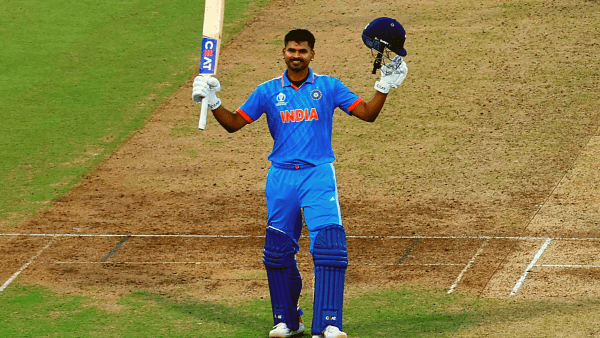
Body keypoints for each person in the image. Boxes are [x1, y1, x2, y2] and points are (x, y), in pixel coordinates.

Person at [192, 28, 407, 338]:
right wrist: (213, 102)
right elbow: (234, 124)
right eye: (291, 50)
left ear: (312, 54)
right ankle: (288, 320)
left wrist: (385, 86)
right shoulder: (266, 91)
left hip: (318, 174)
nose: (296, 56)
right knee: (277, 251)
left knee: (330, 248)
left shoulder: (329, 87)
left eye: (302, 51)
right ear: (283, 52)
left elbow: (367, 114)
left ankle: (329, 324)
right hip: (281, 177)